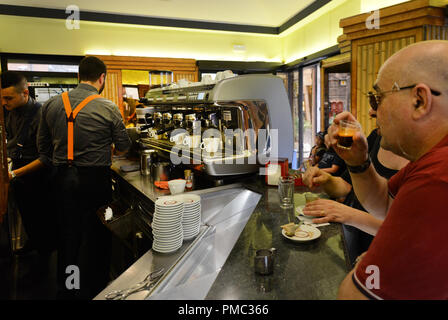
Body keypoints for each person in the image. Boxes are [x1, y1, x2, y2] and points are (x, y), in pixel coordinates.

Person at [331, 40, 448, 299]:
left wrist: (364, 262)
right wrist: (357, 161)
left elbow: (354, 296)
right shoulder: (429, 159)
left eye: (377, 98)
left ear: (420, 101)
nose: (372, 111)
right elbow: (384, 202)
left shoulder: (438, 177)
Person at [38, 56, 131, 299]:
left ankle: (67, 288)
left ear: (78, 76)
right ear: (102, 78)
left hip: (61, 179)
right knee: (97, 234)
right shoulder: (108, 107)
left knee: (67, 236)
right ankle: (96, 288)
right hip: (94, 180)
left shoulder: (51, 104)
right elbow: (123, 146)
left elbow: (43, 149)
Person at [302, 126, 408, 265]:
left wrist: (349, 214)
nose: (371, 111)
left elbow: (405, 229)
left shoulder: (427, 161)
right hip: (352, 240)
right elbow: (347, 185)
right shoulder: (376, 137)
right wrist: (326, 180)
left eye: (377, 103)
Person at [1, 71, 55, 259]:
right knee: (29, 218)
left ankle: (44, 260)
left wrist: (14, 174)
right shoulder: (11, 113)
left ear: (25, 93)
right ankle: (33, 243)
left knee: (42, 221)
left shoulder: (41, 115)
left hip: (39, 177)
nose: (4, 103)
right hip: (20, 173)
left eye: (8, 98)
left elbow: (47, 157)